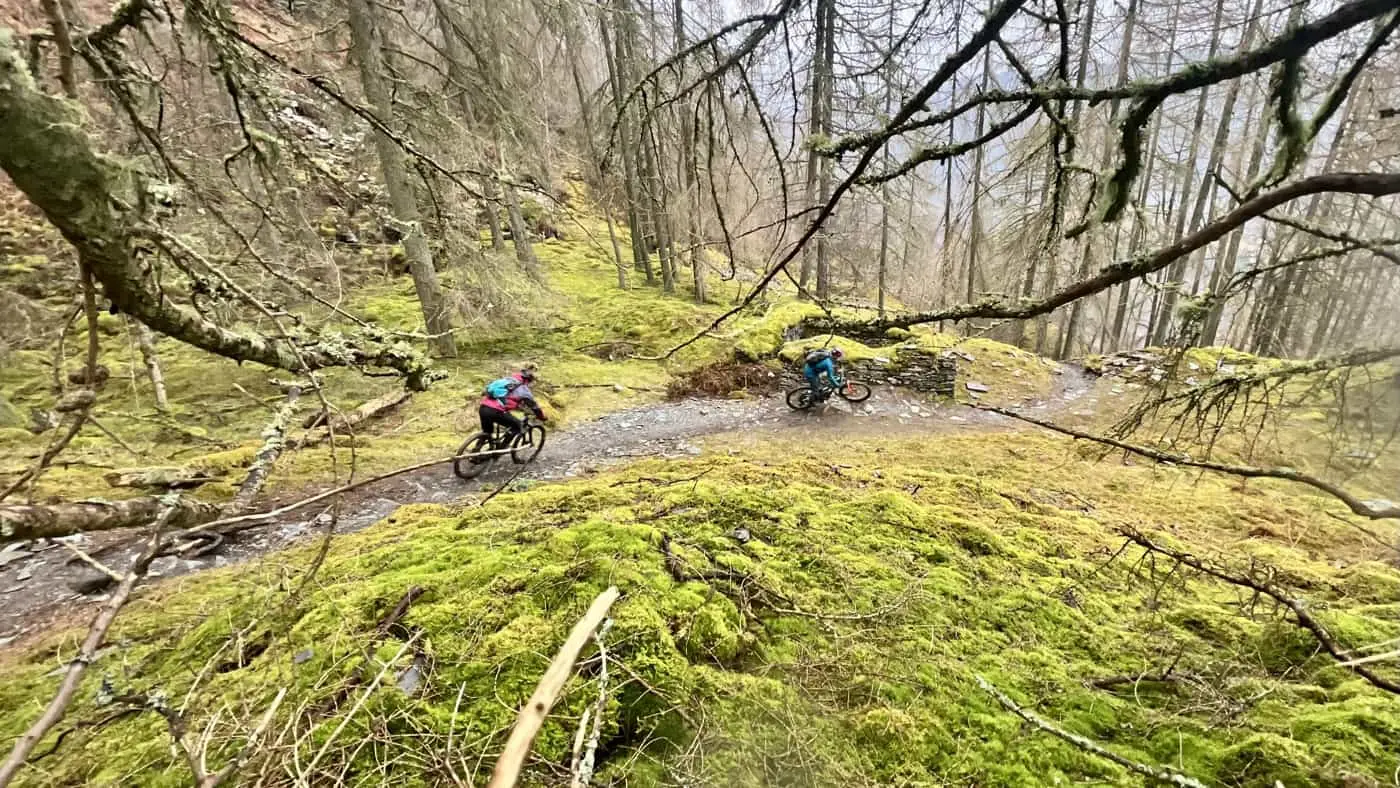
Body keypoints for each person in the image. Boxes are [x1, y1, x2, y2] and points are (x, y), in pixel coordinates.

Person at [479, 367, 547, 447]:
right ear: (529, 380)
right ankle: (500, 449)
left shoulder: (507, 380)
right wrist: (541, 417)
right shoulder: (524, 390)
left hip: (483, 408)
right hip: (496, 411)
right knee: (517, 426)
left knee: (487, 433)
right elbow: (534, 406)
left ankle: (476, 452)